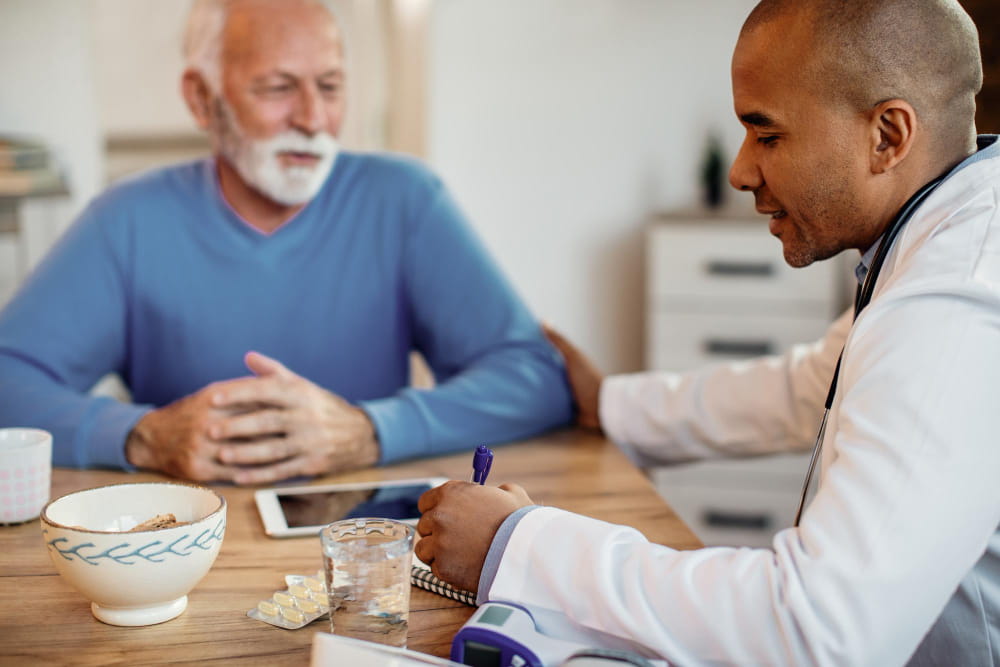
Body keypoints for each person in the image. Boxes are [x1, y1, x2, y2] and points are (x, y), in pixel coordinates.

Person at [416, 1, 1000, 664]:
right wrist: (607, 401)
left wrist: (517, 544)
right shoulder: (934, 241)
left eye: (768, 135)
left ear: (888, 136)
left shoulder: (958, 301)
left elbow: (815, 628)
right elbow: (808, 385)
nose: (740, 171)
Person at [0, 0, 571, 485]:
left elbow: (535, 376)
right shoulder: (125, 220)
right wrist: (141, 437)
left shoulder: (406, 200)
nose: (314, 117)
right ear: (202, 99)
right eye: (278, 88)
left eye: (330, 86)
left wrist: (371, 431)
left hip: (370, 549)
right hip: (191, 551)